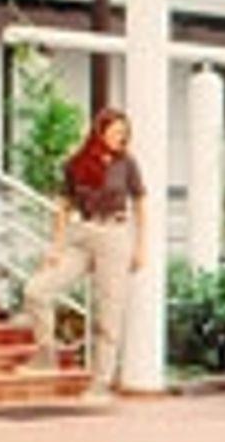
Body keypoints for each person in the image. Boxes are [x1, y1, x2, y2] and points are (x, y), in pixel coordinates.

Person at [22, 107, 146, 396]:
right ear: (100, 131)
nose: (122, 137)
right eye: (116, 131)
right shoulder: (76, 164)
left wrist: (140, 247)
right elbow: (63, 207)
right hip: (81, 234)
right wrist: (56, 247)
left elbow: (140, 205)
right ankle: (46, 353)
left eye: (125, 133)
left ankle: (101, 382)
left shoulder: (127, 164)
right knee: (36, 290)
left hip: (115, 235)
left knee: (109, 312)